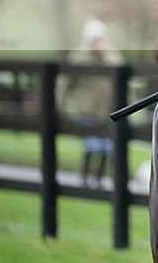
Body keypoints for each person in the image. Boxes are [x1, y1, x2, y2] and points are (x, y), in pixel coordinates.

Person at [60, 17, 124, 187]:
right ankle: (85, 180)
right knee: (91, 146)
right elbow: (65, 83)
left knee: (106, 149)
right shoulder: (79, 58)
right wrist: (61, 105)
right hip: (87, 110)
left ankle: (98, 181)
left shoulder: (112, 57)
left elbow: (122, 77)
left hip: (107, 111)